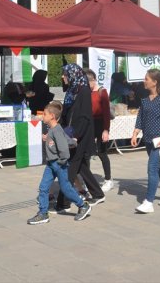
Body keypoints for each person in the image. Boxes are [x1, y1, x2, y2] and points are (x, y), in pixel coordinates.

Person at [27, 101, 92, 224]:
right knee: (43, 188)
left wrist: (61, 161)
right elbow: (66, 141)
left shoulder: (56, 130)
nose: (42, 116)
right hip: (51, 164)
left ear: (52, 116)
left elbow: (64, 149)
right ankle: (43, 213)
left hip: (58, 164)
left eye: (45, 114)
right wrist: (49, 139)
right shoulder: (54, 130)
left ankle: (83, 206)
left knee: (66, 188)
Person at [52, 64, 105, 212]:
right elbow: (67, 113)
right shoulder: (73, 90)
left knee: (69, 168)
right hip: (72, 133)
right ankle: (98, 193)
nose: (63, 77)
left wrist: (75, 137)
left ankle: (63, 203)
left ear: (72, 75)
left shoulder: (83, 91)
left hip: (79, 135)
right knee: (80, 165)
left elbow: (84, 117)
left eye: (65, 74)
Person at [130, 68, 160, 213]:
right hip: (148, 139)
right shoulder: (144, 97)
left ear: (155, 82)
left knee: (152, 169)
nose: (144, 81)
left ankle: (148, 202)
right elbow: (141, 116)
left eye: (146, 79)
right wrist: (135, 133)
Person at [85, 68, 114, 192]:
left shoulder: (102, 92)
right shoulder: (85, 92)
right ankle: (87, 181)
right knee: (86, 154)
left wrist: (106, 130)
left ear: (94, 80)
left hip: (101, 123)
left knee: (102, 153)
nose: (86, 86)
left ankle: (108, 180)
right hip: (89, 124)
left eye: (88, 83)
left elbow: (107, 113)